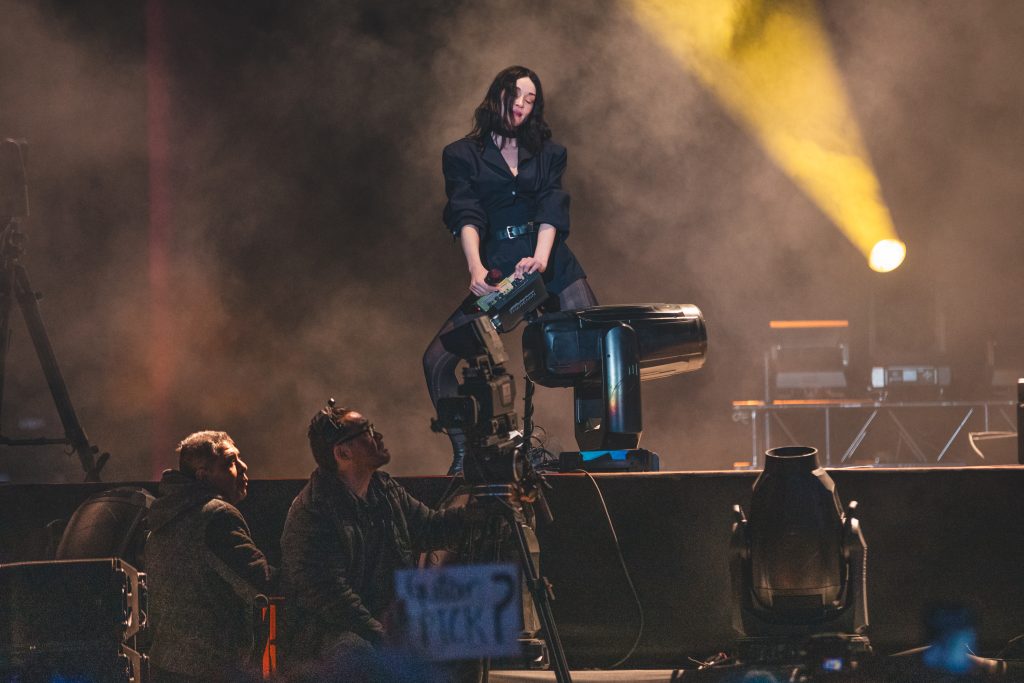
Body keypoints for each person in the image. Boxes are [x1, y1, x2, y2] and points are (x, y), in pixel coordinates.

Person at [424, 65, 599, 473]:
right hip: (500, 268)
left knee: (597, 347)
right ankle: (465, 452)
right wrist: (476, 268)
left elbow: (552, 207)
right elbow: (466, 213)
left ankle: (600, 453)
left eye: (530, 99)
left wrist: (540, 256)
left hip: (549, 259)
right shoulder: (461, 154)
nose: (521, 105)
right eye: (515, 95)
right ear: (496, 95)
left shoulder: (549, 152)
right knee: (437, 359)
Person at [279, 401, 465, 669]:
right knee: (357, 656)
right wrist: (381, 635)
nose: (378, 437)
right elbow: (329, 596)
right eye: (366, 432)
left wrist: (480, 511)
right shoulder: (313, 512)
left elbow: (430, 528)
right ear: (343, 452)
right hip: (330, 632)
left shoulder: (385, 490)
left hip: (380, 620)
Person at [146, 431, 277, 683]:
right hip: (212, 670)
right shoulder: (217, 516)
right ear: (203, 476)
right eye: (230, 461)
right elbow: (260, 579)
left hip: (166, 666)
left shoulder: (163, 518)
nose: (243, 466)